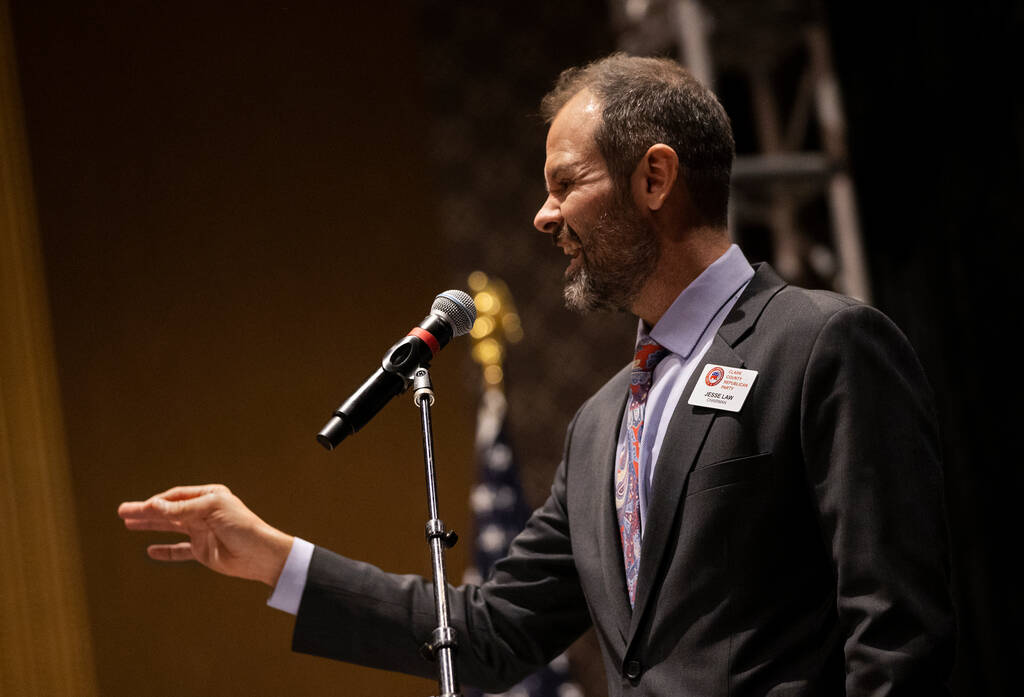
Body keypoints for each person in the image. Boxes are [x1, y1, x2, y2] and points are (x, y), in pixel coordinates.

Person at [119, 54, 955, 696]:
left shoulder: (820, 345)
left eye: (566, 184)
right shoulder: (600, 427)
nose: (543, 214)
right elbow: (490, 631)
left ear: (654, 177)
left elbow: (896, 639)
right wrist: (277, 558)